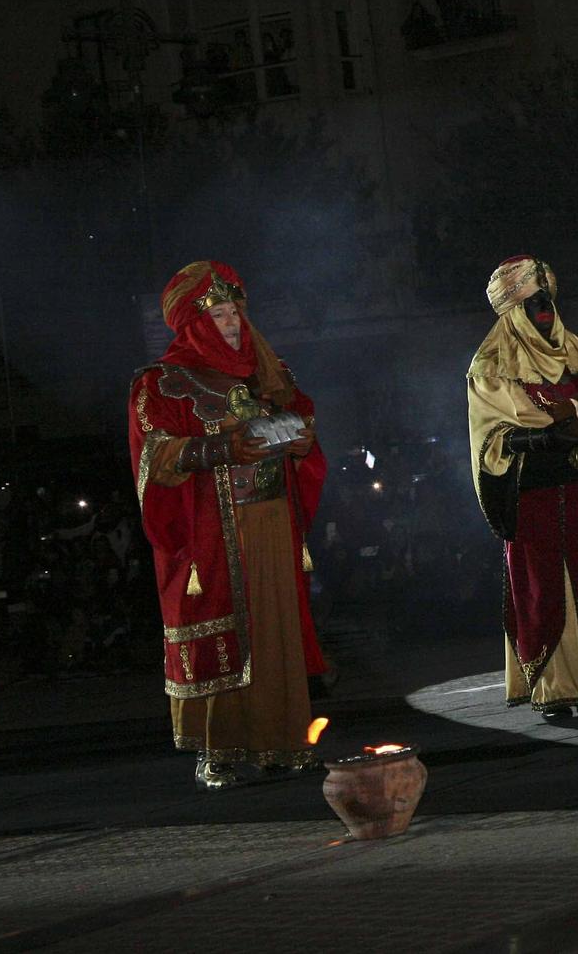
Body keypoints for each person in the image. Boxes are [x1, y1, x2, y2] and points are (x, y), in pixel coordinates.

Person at [128, 262, 325, 790]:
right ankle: (217, 749)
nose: (233, 322)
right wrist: (222, 447)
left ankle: (282, 741)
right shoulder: (162, 384)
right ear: (194, 323)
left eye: (235, 310)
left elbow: (300, 415)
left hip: (272, 521)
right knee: (224, 628)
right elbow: (154, 457)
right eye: (218, 313)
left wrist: (304, 441)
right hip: (212, 530)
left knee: (275, 629)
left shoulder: (267, 372)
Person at [466, 256, 578, 722]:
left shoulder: (577, 352)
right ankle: (554, 688)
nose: (543, 308)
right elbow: (490, 439)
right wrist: (546, 436)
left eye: (546, 299)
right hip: (534, 496)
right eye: (530, 301)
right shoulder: (493, 364)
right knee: (546, 589)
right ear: (513, 310)